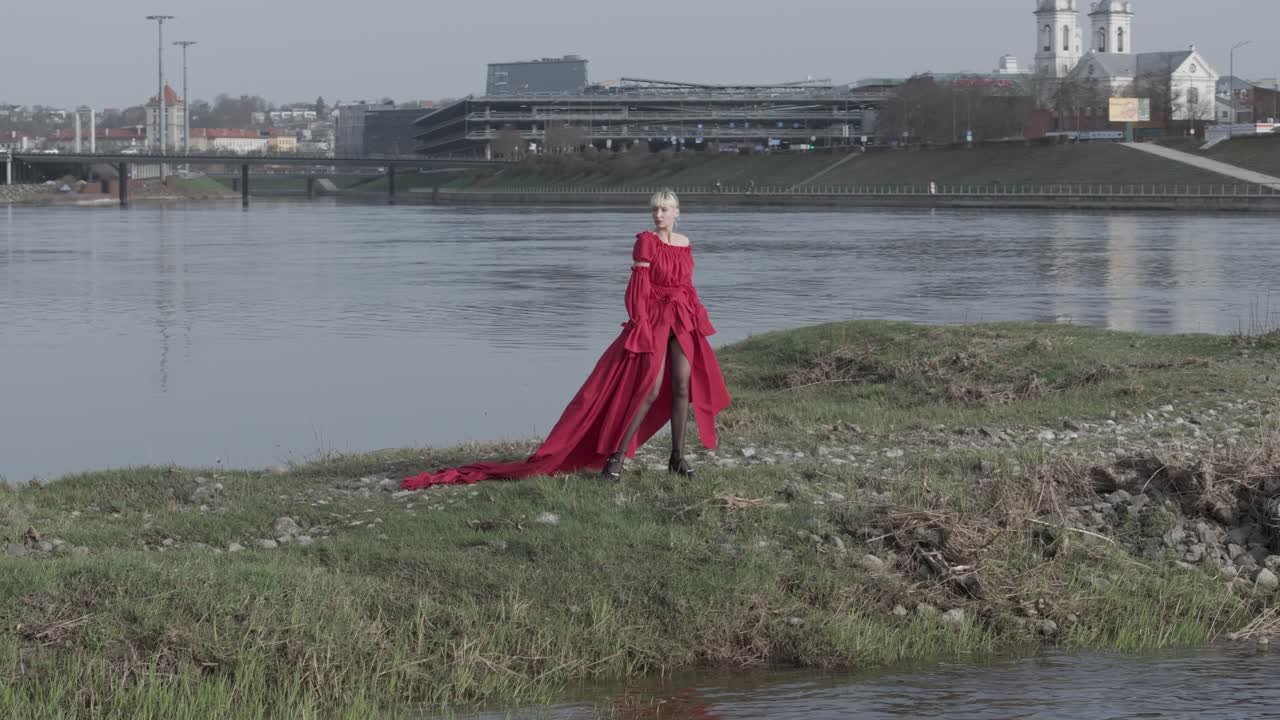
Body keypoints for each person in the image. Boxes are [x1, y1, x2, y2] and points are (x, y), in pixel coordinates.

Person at [401, 189, 731, 490]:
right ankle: (616, 457)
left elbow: (687, 285)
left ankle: (677, 457)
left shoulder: (685, 243)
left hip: (683, 318)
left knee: (682, 387)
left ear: (677, 212)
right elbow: (638, 288)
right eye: (655, 209)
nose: (658, 214)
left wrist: (697, 315)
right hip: (655, 320)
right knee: (649, 388)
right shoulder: (645, 241)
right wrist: (639, 321)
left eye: (664, 209)